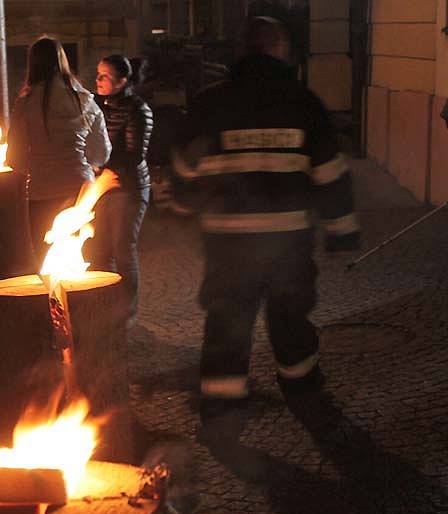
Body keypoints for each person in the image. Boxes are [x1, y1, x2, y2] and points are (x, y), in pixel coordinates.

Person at [173, 17, 360, 421]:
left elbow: (185, 167)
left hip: (227, 245)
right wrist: (341, 230)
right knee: (290, 317)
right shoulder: (302, 101)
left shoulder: (210, 102)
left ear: (240, 52)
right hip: (287, 244)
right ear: (279, 50)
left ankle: (222, 403)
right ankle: (303, 391)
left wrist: (185, 206)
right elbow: (329, 172)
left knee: (227, 319)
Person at [7, 36, 111, 264]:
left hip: (41, 192)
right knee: (84, 264)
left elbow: (14, 157)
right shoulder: (83, 99)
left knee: (48, 265)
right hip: (81, 190)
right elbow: (102, 152)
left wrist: (36, 166)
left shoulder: (25, 103)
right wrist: (86, 163)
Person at [93, 54, 153, 325]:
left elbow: (134, 155)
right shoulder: (97, 106)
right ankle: (104, 307)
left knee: (122, 248)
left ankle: (126, 311)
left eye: (104, 76)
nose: (98, 80)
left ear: (122, 80)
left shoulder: (138, 110)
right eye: (98, 74)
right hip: (101, 187)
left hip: (128, 188)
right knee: (99, 249)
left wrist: (106, 167)